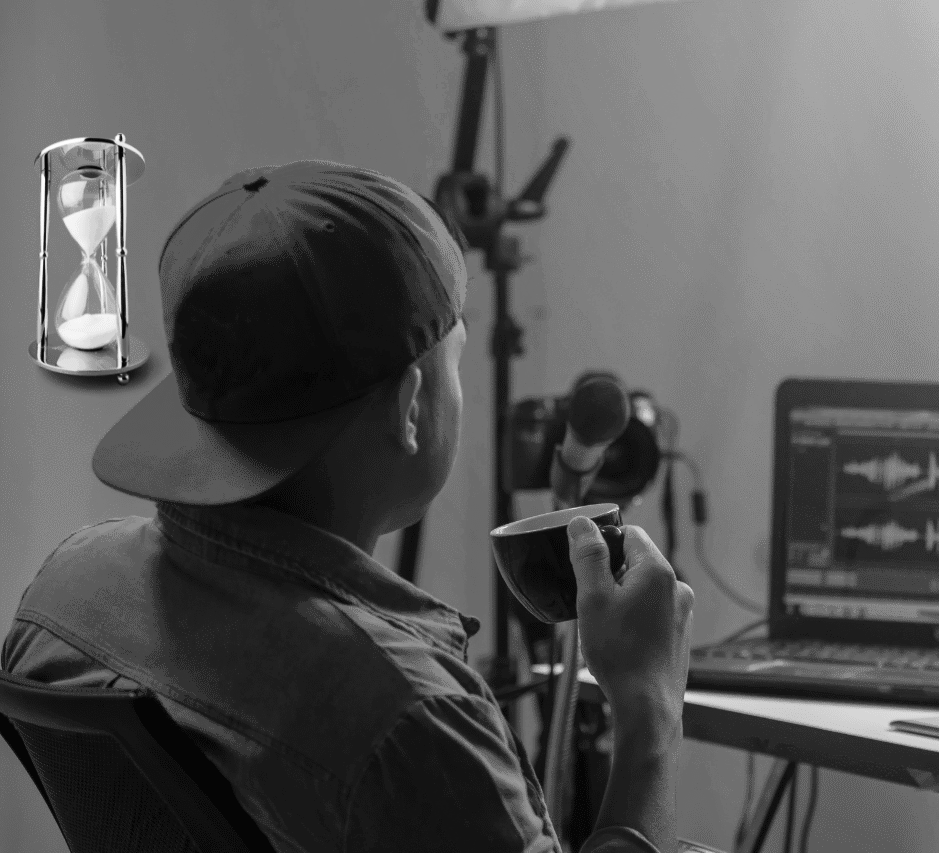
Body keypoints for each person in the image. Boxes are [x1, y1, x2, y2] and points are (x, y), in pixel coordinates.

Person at [2, 161, 692, 853]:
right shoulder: (405, 721)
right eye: (454, 360)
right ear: (410, 406)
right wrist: (648, 713)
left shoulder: (64, 588)